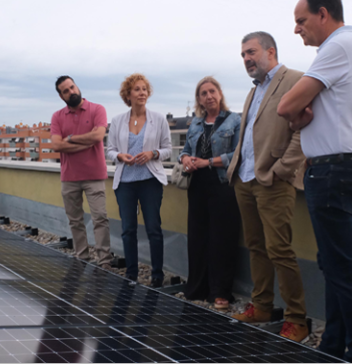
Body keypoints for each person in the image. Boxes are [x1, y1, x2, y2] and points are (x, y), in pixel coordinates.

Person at [277, 0, 352, 362]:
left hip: (334, 171)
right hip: (339, 168)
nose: (297, 28)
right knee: (334, 267)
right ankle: (333, 345)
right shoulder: (347, 49)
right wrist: (301, 117)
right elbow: (302, 113)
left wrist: (297, 116)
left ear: (323, 14)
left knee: (343, 272)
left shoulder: (336, 48)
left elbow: (287, 105)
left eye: (301, 20)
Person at [226, 31, 309, 343]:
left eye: (251, 52)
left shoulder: (296, 80)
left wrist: (281, 170)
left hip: (273, 182)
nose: (247, 59)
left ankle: (296, 319)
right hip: (245, 179)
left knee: (279, 250)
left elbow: (303, 129)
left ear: (270, 51)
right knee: (256, 247)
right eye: (243, 55)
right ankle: (261, 306)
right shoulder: (254, 90)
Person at [177, 76, 241, 310]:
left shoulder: (234, 120)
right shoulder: (195, 123)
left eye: (212, 91)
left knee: (222, 239)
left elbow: (238, 154)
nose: (209, 96)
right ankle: (197, 288)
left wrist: (208, 162)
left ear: (220, 94)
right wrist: (186, 159)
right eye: (203, 93)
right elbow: (184, 150)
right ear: (199, 100)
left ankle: (220, 292)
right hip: (197, 185)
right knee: (197, 237)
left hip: (222, 184)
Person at [106, 73, 171, 287]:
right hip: (125, 182)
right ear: (128, 95)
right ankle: (132, 273)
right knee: (128, 229)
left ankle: (157, 275)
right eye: (137, 89)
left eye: (144, 89)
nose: (142, 92)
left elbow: (168, 150)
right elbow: (110, 150)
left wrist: (153, 153)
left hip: (149, 180)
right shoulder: (117, 121)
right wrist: (120, 156)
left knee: (153, 227)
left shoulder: (159, 119)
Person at [50, 75, 113, 269]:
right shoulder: (57, 116)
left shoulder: (97, 109)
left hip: (94, 175)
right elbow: (56, 144)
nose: (71, 92)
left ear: (77, 86)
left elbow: (99, 135)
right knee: (75, 221)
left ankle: (104, 262)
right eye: (66, 91)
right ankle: (82, 258)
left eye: (72, 87)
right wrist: (84, 143)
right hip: (69, 177)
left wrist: (70, 139)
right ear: (61, 96)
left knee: (99, 218)